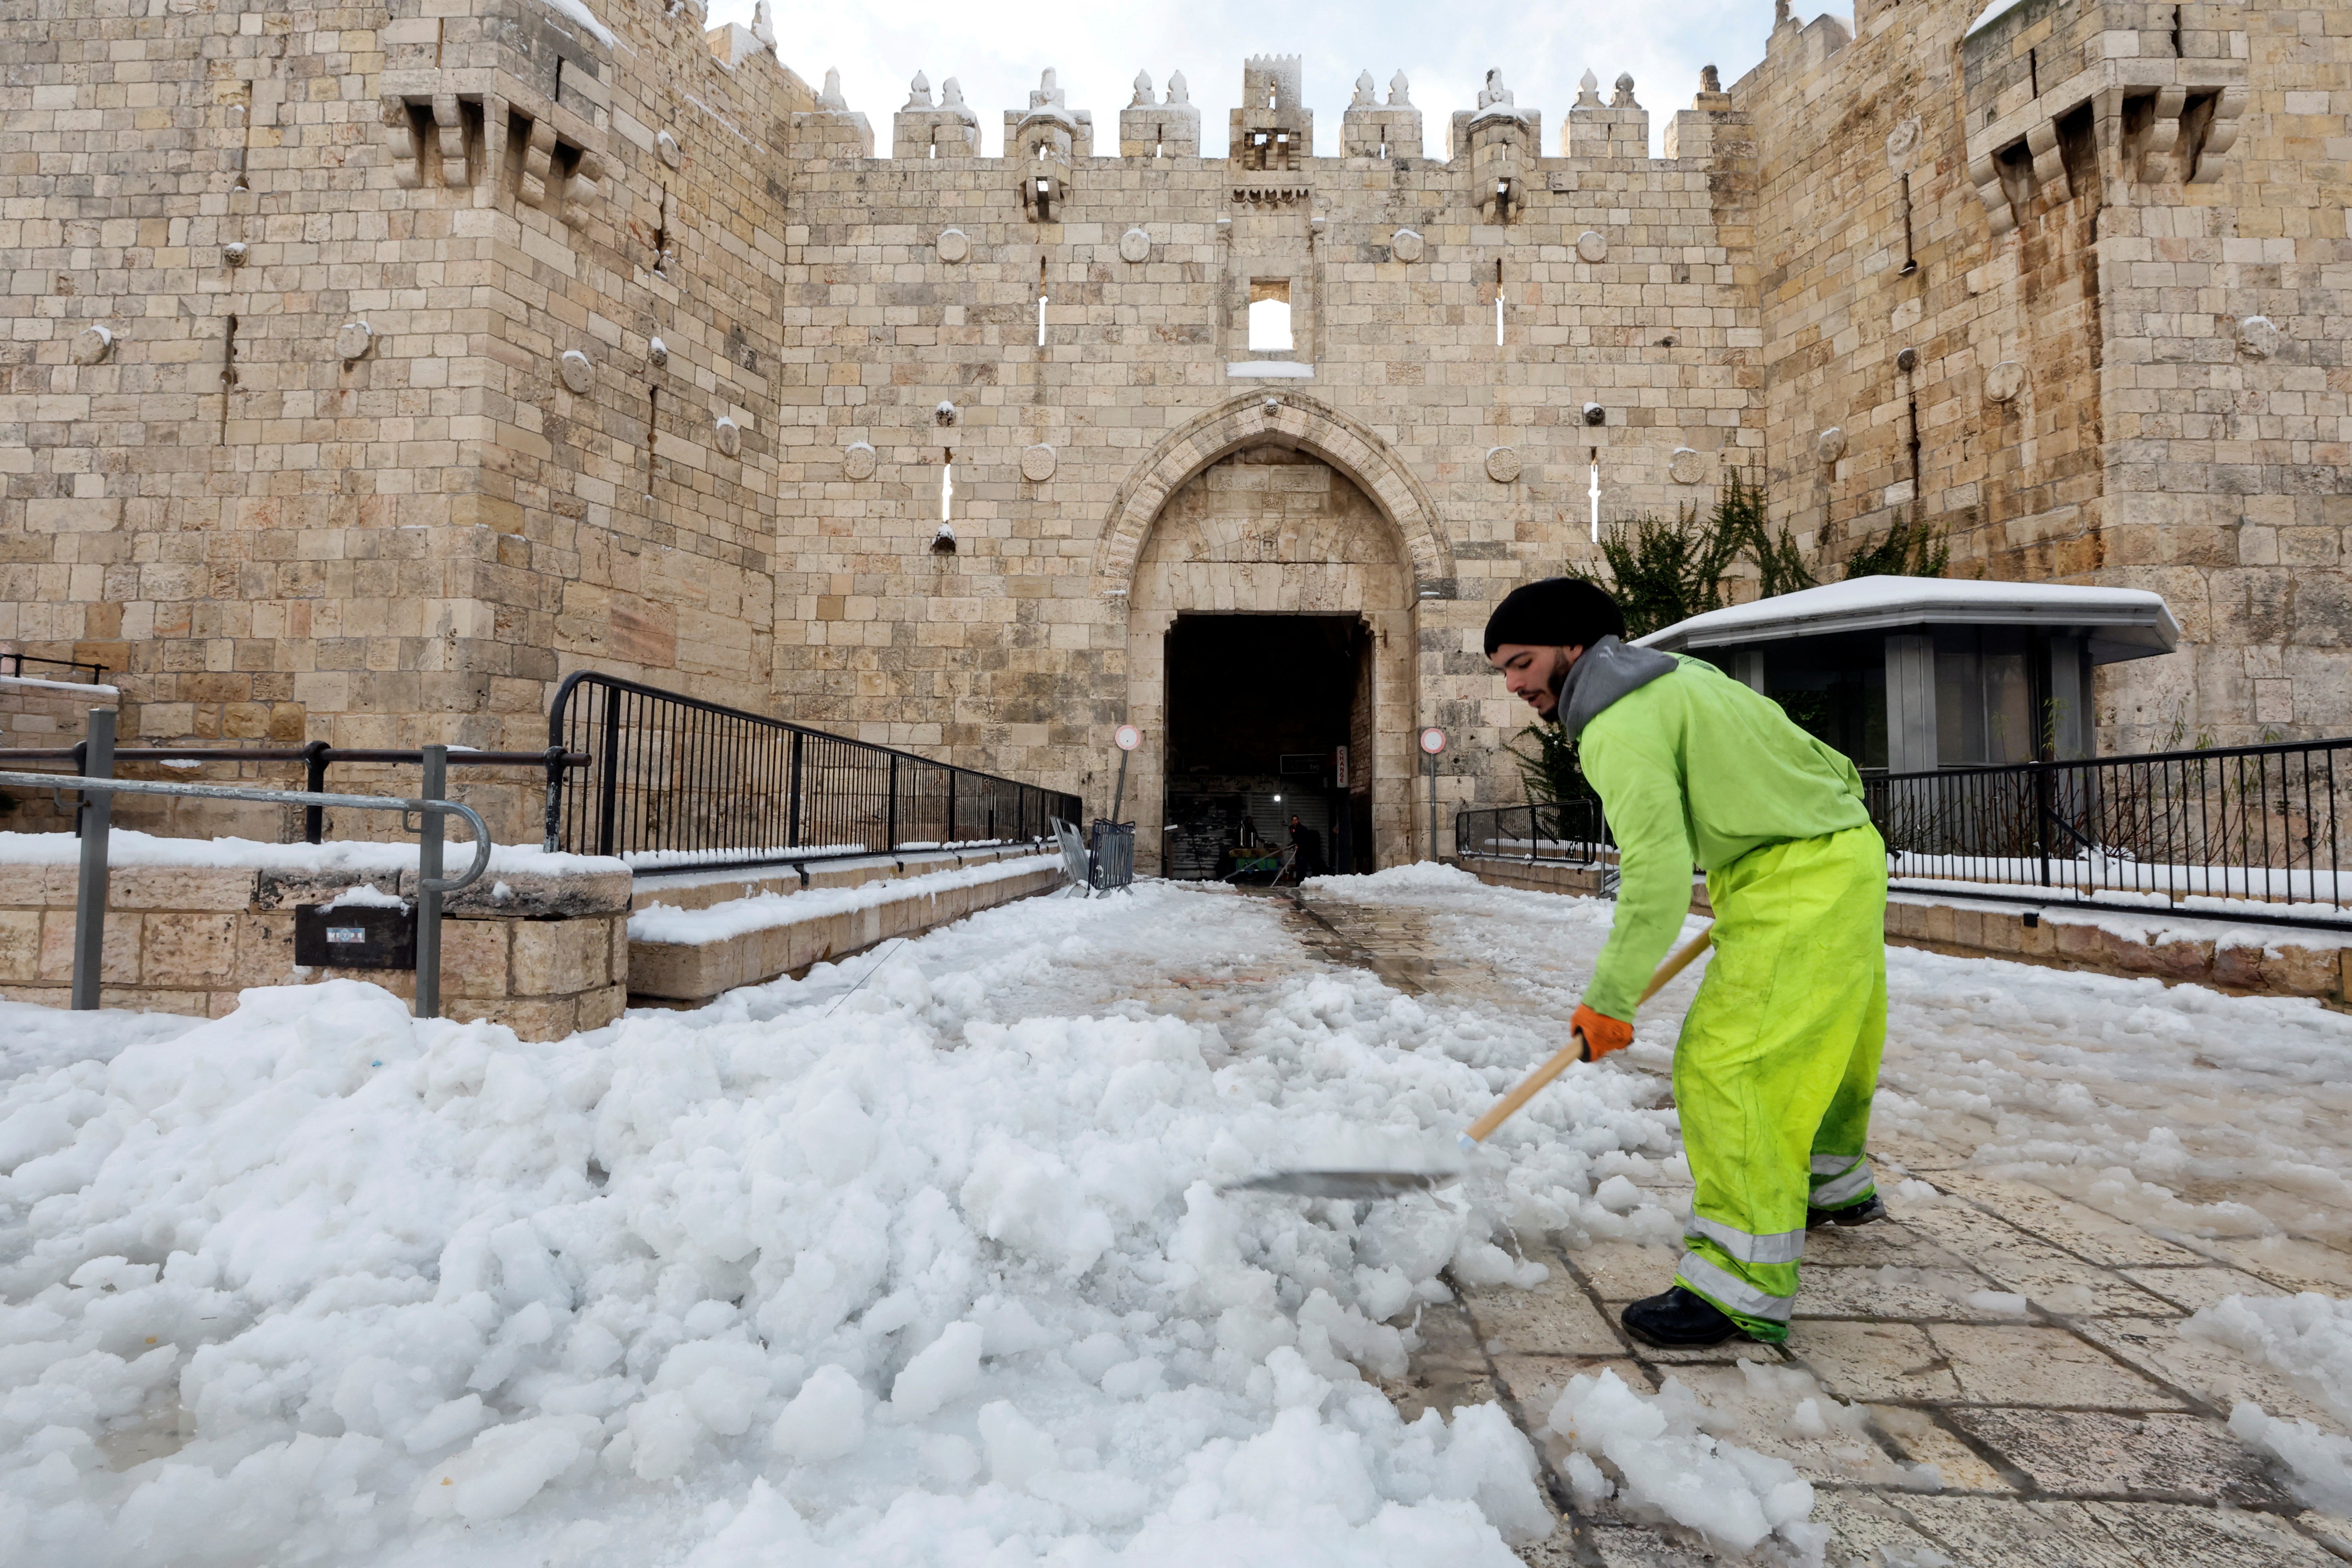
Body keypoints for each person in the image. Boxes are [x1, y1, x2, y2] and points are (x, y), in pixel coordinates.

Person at [1484, 577, 1889, 1348]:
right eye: (1503, 670)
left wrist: (1611, 998)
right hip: (1844, 852)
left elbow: (1658, 877)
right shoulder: (1684, 677)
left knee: (1731, 1068)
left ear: (1575, 646)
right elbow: (1833, 765)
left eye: (1522, 662)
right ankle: (1833, 1185)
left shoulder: (1617, 724)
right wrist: (1788, 835)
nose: (1515, 686)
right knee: (1826, 1043)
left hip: (1795, 881)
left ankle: (1739, 1287)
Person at [1288, 813, 1325, 878]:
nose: (1295, 822)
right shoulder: (1292, 829)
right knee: (1298, 867)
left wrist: (1299, 846)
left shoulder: (1303, 829)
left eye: (1296, 820)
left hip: (1304, 850)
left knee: (1302, 867)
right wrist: (1289, 847)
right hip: (1298, 851)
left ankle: (1302, 881)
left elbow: (1306, 841)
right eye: (1294, 820)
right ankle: (1298, 883)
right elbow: (1295, 840)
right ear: (1292, 821)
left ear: (1298, 821)